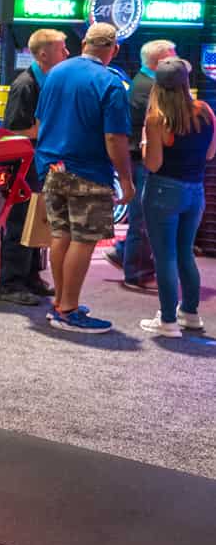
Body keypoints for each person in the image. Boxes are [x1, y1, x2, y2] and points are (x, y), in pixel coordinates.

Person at [34, 22, 134, 333]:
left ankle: (60, 302)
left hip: (52, 167)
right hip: (88, 172)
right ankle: (69, 309)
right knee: (83, 240)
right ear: (114, 49)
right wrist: (126, 180)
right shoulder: (110, 82)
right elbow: (114, 138)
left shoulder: (56, 73)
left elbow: (41, 120)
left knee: (60, 235)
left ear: (84, 44)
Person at [137, 57, 213, 338]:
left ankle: (168, 320)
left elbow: (153, 164)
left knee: (165, 257)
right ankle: (190, 314)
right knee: (185, 253)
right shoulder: (205, 110)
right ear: (185, 82)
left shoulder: (157, 118)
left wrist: (144, 141)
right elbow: (210, 154)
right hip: (195, 191)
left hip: (163, 191)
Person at [0, 28, 69, 305]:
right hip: (24, 165)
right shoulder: (25, 85)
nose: (67, 53)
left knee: (38, 221)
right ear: (43, 54)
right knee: (20, 222)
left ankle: (30, 276)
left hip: (41, 161)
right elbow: (12, 130)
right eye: (61, 49)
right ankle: (10, 284)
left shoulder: (48, 81)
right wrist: (45, 129)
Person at [105, 38, 176, 290]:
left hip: (141, 157)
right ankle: (137, 273)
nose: (176, 62)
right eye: (173, 57)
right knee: (144, 218)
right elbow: (166, 124)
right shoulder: (149, 88)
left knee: (145, 215)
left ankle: (124, 253)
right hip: (142, 159)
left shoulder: (146, 83)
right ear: (160, 61)